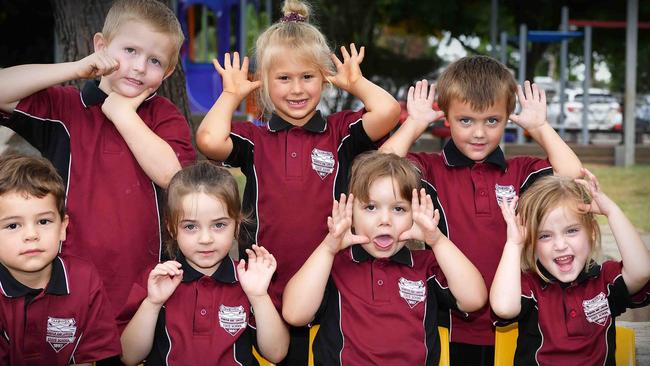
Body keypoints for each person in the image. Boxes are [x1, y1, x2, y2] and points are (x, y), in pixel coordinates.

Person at [195, 0, 400, 363]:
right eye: (283, 78)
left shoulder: (339, 132)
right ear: (264, 80)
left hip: (333, 280)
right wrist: (230, 95)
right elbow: (209, 140)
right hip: (265, 280)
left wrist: (357, 83)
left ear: (324, 76)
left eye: (307, 76)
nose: (297, 89)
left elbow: (387, 112)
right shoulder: (255, 139)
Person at [380, 55, 583, 365]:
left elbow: (571, 177)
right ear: (445, 117)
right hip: (448, 322)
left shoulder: (520, 171)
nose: (479, 133)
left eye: (492, 120)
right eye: (466, 120)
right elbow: (380, 171)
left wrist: (540, 128)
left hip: (516, 320)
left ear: (507, 118)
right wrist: (415, 123)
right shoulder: (431, 168)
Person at [0, 0, 196, 317]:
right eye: (130, 50)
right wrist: (76, 69)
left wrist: (122, 114)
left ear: (169, 71)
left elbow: (173, 177)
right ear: (101, 46)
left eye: (155, 61)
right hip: (68, 287)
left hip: (144, 291)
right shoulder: (66, 108)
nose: (139, 67)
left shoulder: (164, 117)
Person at [282, 151, 487, 365]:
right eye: (371, 207)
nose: (385, 220)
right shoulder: (333, 265)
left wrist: (437, 240)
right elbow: (295, 314)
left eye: (399, 209)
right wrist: (327, 249)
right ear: (350, 213)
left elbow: (474, 299)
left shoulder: (426, 266)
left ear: (414, 214)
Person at [117, 161, 289, 365]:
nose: (205, 239)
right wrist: (152, 304)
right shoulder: (156, 279)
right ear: (172, 228)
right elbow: (129, 357)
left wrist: (259, 297)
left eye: (219, 225)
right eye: (190, 227)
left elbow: (276, 353)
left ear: (236, 225)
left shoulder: (249, 280)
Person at [490, 169, 650, 365]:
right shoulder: (528, 287)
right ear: (531, 243)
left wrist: (612, 211)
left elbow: (642, 270)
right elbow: (503, 308)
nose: (560, 245)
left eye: (571, 231)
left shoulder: (603, 280)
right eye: (545, 236)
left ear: (592, 232)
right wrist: (514, 244)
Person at [0, 154, 121, 365]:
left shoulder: (84, 280)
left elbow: (93, 356)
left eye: (44, 221)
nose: (31, 235)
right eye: (13, 225)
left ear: (63, 227)